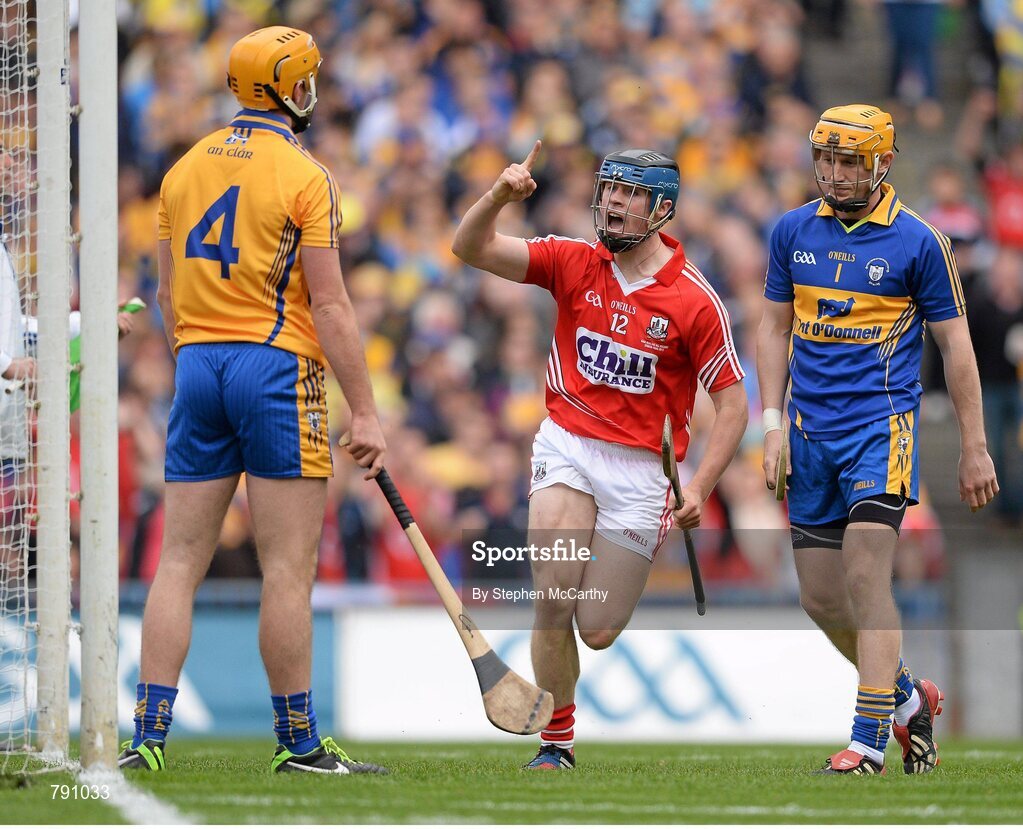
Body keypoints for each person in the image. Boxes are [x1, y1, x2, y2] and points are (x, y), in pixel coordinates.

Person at [118, 26, 387, 775]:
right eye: (308, 78)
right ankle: (298, 741)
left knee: (178, 560)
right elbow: (330, 307)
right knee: (286, 567)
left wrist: (203, 361)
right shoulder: (307, 176)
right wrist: (363, 410)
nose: (314, 89)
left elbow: (168, 296)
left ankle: (147, 735)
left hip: (197, 362)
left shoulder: (182, 168)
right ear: (290, 89)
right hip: (275, 370)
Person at [452, 142, 749, 770]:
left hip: (642, 472)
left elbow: (733, 407)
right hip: (567, 446)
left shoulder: (694, 300)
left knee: (597, 627)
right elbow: (470, 247)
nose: (612, 201)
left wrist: (700, 488)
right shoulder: (572, 260)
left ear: (661, 208)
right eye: (609, 188)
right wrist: (499, 197)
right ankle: (555, 744)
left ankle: (561, 721)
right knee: (553, 595)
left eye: (629, 192)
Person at [757, 104, 998, 775]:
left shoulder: (920, 241)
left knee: (866, 578)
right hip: (806, 431)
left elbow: (956, 346)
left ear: (882, 163)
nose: (834, 174)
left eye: (849, 161)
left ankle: (865, 742)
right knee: (820, 598)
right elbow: (773, 330)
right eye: (826, 159)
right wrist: (771, 425)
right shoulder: (790, 231)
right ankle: (905, 699)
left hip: (879, 429)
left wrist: (974, 444)